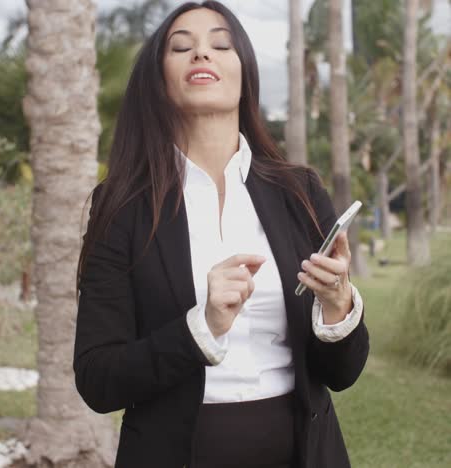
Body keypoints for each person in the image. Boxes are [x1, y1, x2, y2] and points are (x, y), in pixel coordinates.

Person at [73, 2, 369, 467]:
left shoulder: (300, 191)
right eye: (181, 47)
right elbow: (97, 380)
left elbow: (343, 374)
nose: (201, 55)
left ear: (244, 71)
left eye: (220, 44)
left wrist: (337, 305)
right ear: (158, 80)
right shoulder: (122, 208)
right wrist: (201, 327)